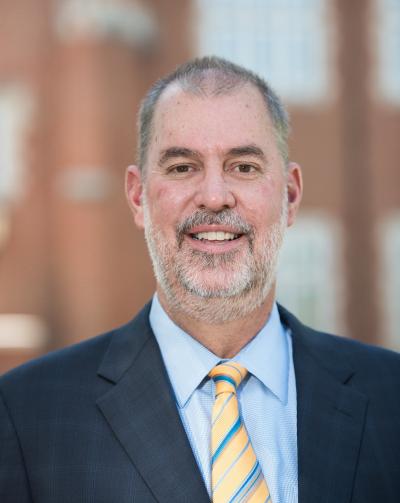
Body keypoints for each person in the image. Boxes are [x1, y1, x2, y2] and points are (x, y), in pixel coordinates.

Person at [0, 57, 399, 503]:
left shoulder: (392, 399)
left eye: (243, 167)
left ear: (289, 195)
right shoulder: (26, 417)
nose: (213, 196)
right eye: (182, 167)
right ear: (138, 196)